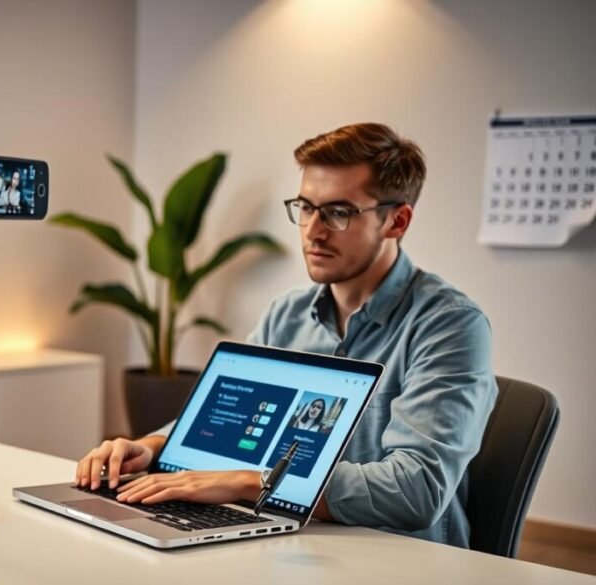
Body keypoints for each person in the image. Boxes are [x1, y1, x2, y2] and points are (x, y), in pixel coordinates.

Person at [74, 123, 497, 548]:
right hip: (289, 542)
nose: (313, 230)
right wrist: (150, 447)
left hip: (396, 558)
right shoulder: (287, 314)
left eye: (338, 212)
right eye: (306, 207)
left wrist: (250, 482)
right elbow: (210, 423)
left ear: (397, 220)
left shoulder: (450, 326)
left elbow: (416, 490)